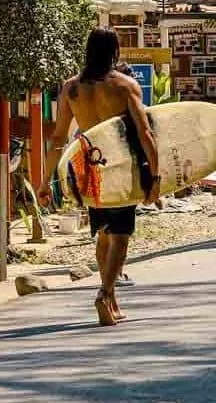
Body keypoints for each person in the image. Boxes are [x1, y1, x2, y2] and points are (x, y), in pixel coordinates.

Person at [43, 28, 161, 326]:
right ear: (114, 51)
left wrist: (45, 180)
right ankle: (105, 294)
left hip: (91, 169)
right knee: (121, 236)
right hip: (121, 166)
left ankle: (113, 301)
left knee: (105, 233)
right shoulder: (125, 86)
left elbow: (58, 138)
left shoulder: (71, 88)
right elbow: (145, 133)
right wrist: (156, 175)